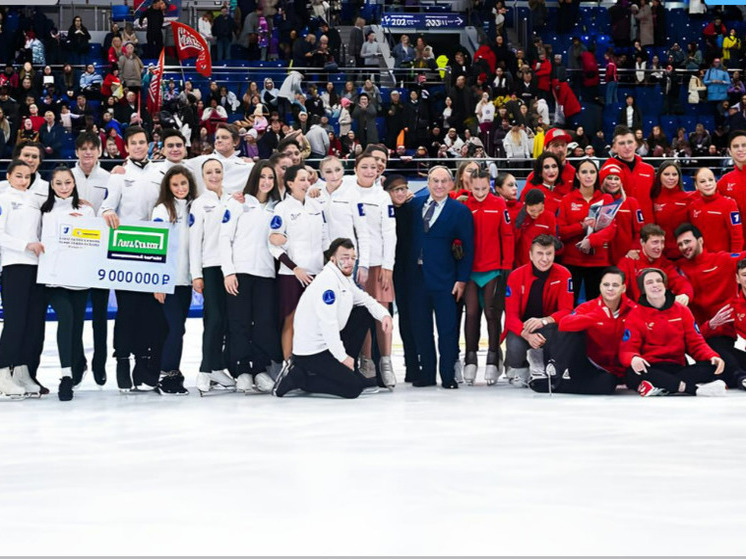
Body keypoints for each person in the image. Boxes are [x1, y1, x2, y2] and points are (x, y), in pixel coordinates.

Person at [273, 238, 393, 398]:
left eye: (352, 258)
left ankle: (346, 371)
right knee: (353, 389)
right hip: (312, 353)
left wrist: (384, 315)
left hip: (328, 344)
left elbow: (365, 300)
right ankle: (300, 378)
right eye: (344, 257)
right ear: (333, 259)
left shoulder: (343, 278)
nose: (349, 262)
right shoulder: (327, 283)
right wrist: (343, 358)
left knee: (363, 312)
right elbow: (328, 325)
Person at [100, 126, 165, 392]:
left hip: (155, 250)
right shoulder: (118, 176)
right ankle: (123, 359)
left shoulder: (159, 172)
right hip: (126, 249)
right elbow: (106, 205)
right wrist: (106, 213)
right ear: (126, 147)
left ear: (148, 144)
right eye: (134, 143)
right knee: (127, 310)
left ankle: (142, 361)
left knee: (149, 310)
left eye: (143, 141)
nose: (139, 146)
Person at [406, 165, 474, 389]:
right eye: (435, 181)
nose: (439, 185)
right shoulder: (414, 205)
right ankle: (426, 374)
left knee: (447, 329)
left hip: (446, 280)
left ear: (451, 184)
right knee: (421, 328)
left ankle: (447, 375)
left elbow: (468, 247)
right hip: (417, 279)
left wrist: (462, 279)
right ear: (427, 182)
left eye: (444, 181)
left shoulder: (459, 210)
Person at [220, 160, 283, 393]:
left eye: (270, 178)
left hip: (266, 274)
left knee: (263, 324)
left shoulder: (278, 207)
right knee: (239, 323)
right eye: (262, 176)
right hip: (241, 273)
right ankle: (242, 371)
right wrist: (229, 271)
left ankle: (259, 369)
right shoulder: (238, 203)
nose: (266, 182)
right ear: (255, 178)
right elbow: (225, 238)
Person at [619, 267, 726, 397]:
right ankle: (690, 388)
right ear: (643, 288)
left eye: (659, 281)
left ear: (665, 285)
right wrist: (634, 358)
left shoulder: (682, 310)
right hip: (650, 367)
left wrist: (711, 356)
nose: (655, 285)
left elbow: (696, 343)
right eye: (649, 282)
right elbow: (627, 349)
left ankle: (662, 386)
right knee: (632, 373)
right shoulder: (635, 314)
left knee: (711, 367)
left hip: (676, 366)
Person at [530, 267, 636, 394]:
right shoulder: (589, 307)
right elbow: (564, 324)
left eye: (615, 285)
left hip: (617, 370)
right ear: (600, 286)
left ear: (623, 288)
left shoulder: (634, 310)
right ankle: (556, 376)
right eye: (606, 284)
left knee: (608, 384)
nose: (610, 289)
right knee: (570, 329)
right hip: (587, 363)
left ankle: (563, 385)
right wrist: (595, 317)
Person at [40, 166, 96, 401]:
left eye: (67, 183)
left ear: (74, 183)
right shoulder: (44, 211)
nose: (64, 187)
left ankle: (77, 363)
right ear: (51, 186)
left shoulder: (86, 209)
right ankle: (65, 376)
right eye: (59, 183)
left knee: (76, 326)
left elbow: (94, 241)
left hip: (79, 278)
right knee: (66, 319)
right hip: (53, 278)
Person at [269, 165, 330, 366]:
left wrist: (327, 267)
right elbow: (274, 246)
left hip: (316, 273)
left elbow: (325, 240)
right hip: (291, 274)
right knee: (291, 319)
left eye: (308, 179)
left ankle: (311, 366)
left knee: (314, 321)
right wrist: (295, 268)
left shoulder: (316, 206)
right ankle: (288, 366)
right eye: (301, 179)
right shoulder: (282, 209)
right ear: (290, 183)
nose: (306, 183)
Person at [0, 160, 47, 399]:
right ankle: (2, 373)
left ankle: (21, 372)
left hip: (37, 268)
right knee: (15, 322)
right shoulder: (4, 198)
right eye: (18, 176)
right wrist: (24, 246)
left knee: (31, 323)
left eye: (27, 176)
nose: (23, 180)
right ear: (9, 176)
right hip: (14, 264)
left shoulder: (34, 199)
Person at [189, 158, 236, 394]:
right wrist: (196, 274)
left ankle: (218, 366)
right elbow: (194, 242)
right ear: (203, 176)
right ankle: (205, 369)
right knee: (214, 318)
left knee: (226, 320)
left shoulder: (233, 200)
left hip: (232, 269)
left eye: (218, 171)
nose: (214, 175)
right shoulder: (199, 204)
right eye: (209, 172)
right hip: (210, 268)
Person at [463, 169, 514, 385]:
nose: (481, 192)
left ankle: (493, 358)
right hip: (471, 270)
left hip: (494, 268)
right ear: (470, 186)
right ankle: (470, 358)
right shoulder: (465, 206)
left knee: (493, 314)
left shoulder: (499, 204)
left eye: (484, 188)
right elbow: (459, 236)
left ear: (490, 186)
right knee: (472, 313)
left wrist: (507, 265)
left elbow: (508, 235)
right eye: (476, 189)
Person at [505, 234, 573, 387]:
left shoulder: (564, 274)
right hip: (523, 329)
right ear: (530, 255)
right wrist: (527, 335)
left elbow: (567, 310)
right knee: (515, 348)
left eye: (549, 254)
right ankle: (519, 366)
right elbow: (510, 317)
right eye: (540, 253)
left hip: (549, 328)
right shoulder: (516, 276)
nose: (545, 259)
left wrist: (544, 321)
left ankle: (545, 361)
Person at [151, 165, 196, 396]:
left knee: (180, 329)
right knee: (174, 327)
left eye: (184, 184)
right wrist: (159, 281)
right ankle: (165, 373)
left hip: (186, 281)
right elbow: (158, 246)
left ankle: (173, 373)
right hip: (168, 282)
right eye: (175, 184)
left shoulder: (194, 208)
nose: (180, 188)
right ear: (168, 187)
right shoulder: (161, 210)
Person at [351, 153, 396, 383]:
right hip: (350, 264)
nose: (370, 171)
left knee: (382, 313)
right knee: (360, 314)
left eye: (374, 167)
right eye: (365, 167)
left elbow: (390, 233)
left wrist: (388, 266)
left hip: (378, 263)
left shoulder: (382, 197)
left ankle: (386, 360)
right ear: (356, 168)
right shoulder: (346, 190)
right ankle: (366, 359)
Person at [71, 131, 111, 385]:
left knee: (99, 315)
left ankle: (100, 363)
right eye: (83, 148)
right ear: (76, 152)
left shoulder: (108, 178)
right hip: (73, 256)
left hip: (100, 256)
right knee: (75, 315)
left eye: (92, 148)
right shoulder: (66, 177)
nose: (87, 152)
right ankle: (77, 363)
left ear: (99, 151)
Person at [557, 158, 616, 303]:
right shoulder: (567, 199)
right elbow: (561, 232)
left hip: (598, 261)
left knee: (597, 306)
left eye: (592, 172)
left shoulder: (606, 198)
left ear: (597, 175)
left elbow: (611, 229)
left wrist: (591, 240)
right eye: (584, 172)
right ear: (577, 175)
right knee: (569, 304)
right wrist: (581, 226)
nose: (588, 175)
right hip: (572, 261)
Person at [617, 223, 693, 304]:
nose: (660, 247)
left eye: (662, 242)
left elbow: (681, 282)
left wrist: (685, 294)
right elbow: (619, 291)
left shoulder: (665, 264)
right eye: (655, 242)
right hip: (634, 312)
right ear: (642, 242)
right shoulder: (628, 262)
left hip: (659, 312)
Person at [602, 125, 655, 223]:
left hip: (646, 226)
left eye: (630, 142)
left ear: (636, 144)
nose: (627, 147)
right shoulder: (607, 169)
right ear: (614, 147)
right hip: (620, 226)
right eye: (622, 143)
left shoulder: (649, 169)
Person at [687, 167, 743, 253]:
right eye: (702, 181)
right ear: (696, 186)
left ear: (715, 182)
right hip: (701, 259)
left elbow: (737, 237)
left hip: (723, 260)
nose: (708, 184)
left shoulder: (729, 204)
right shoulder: (693, 206)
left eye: (710, 180)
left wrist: (734, 259)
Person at [598, 160, 643, 264]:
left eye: (616, 179)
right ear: (602, 180)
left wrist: (634, 249)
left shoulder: (631, 202)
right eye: (609, 178)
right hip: (600, 259)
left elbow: (639, 231)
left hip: (626, 257)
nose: (613, 182)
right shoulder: (596, 201)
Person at [652, 160, 690, 260]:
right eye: (666, 174)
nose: (671, 178)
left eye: (674, 174)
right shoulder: (652, 199)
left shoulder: (688, 198)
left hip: (684, 254)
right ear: (659, 176)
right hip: (659, 255)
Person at [514, 188, 557, 267]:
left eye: (540, 210)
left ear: (544, 205)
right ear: (525, 206)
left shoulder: (549, 217)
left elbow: (552, 241)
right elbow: (513, 241)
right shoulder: (519, 216)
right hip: (521, 264)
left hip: (542, 264)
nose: (536, 214)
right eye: (532, 211)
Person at [717, 130, 746, 242]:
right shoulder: (725, 181)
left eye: (744, 145)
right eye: (736, 146)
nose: (740, 149)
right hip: (737, 248)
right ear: (729, 151)